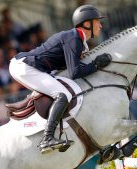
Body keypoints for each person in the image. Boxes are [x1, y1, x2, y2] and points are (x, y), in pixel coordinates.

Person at [9, 5, 112, 154]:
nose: (101, 25)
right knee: (63, 94)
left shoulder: (79, 42)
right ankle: (47, 139)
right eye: (97, 21)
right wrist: (96, 65)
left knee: (65, 90)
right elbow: (75, 72)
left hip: (30, 67)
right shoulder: (74, 38)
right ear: (87, 23)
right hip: (25, 66)